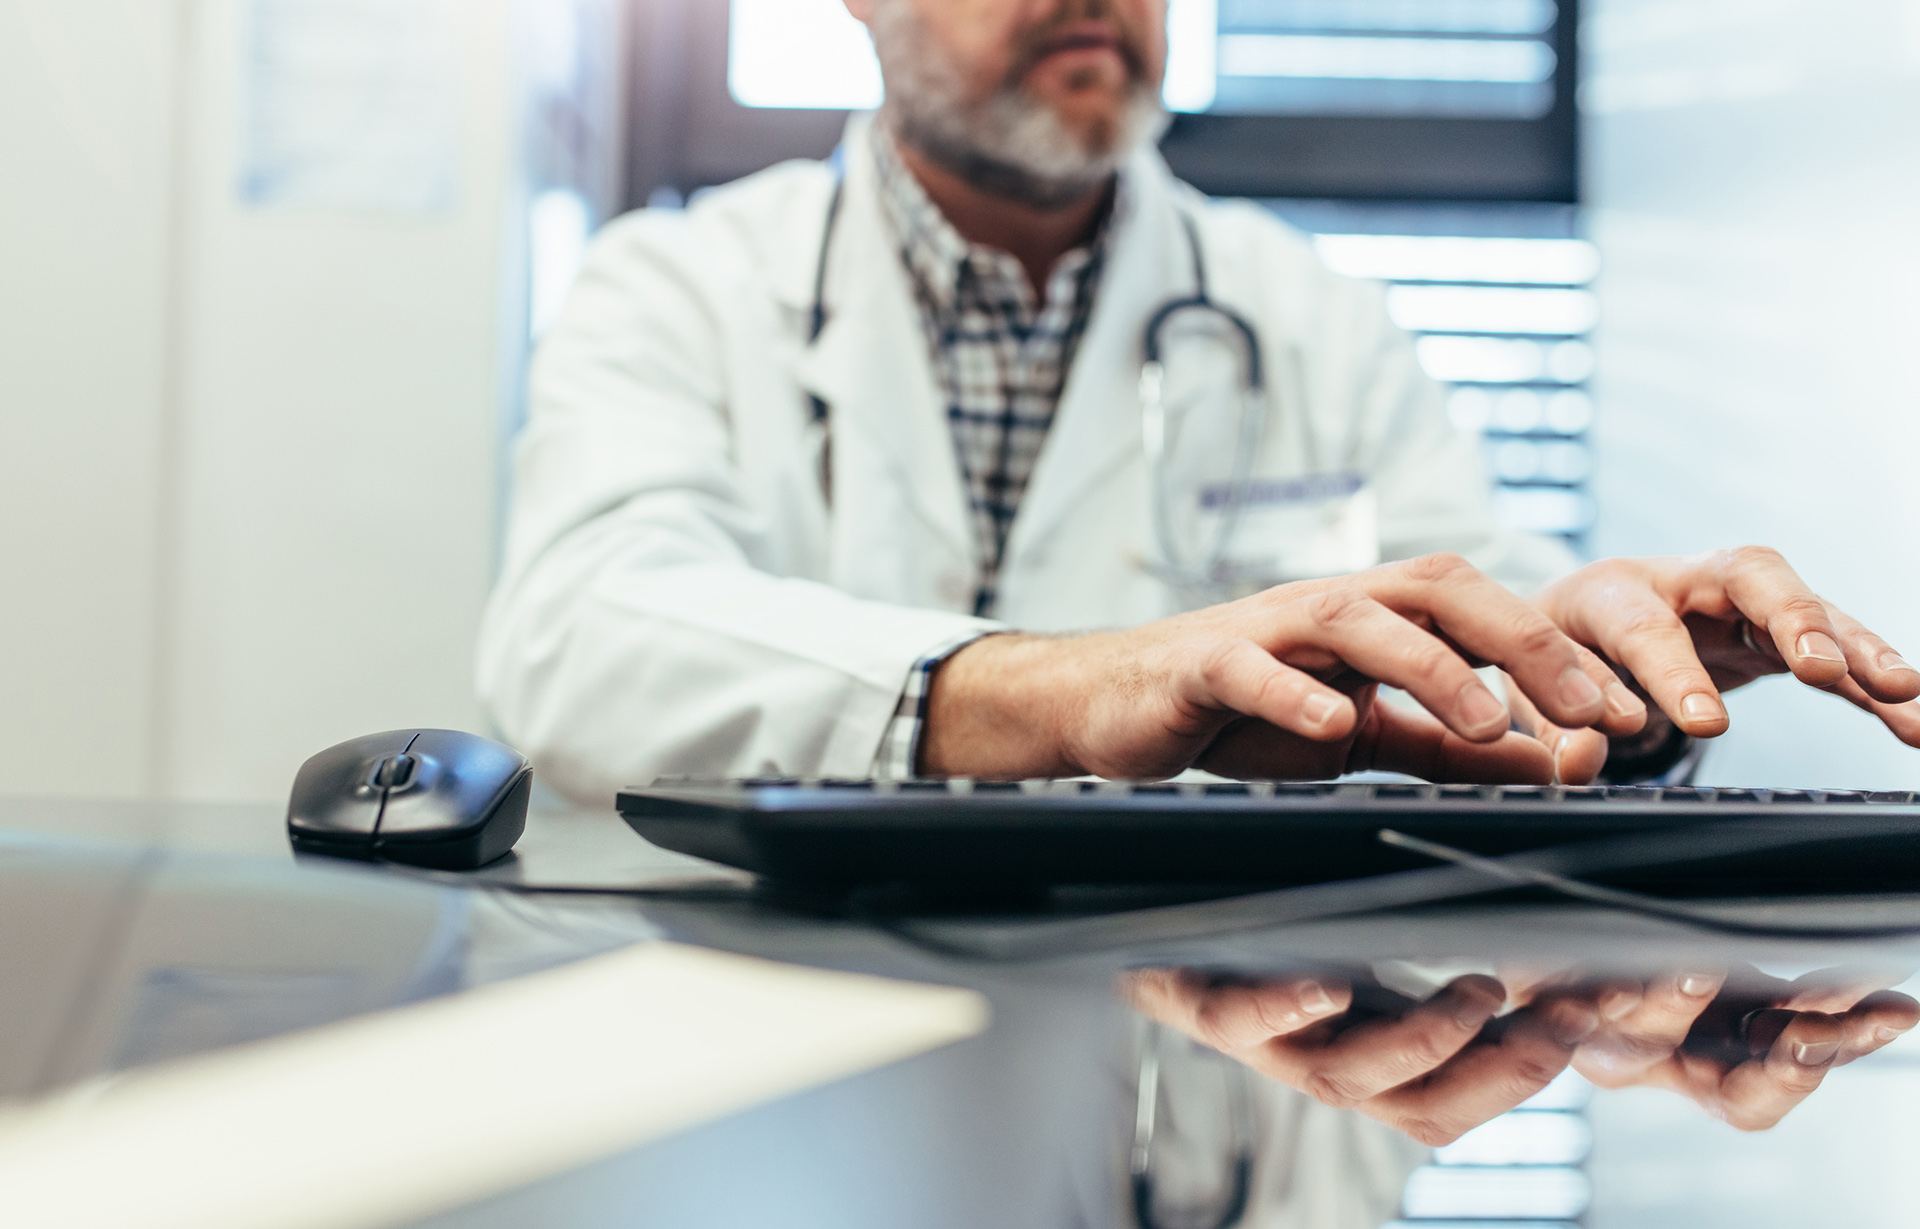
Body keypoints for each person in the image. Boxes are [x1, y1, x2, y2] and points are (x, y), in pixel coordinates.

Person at [476, 0, 1920, 1221]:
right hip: (781, 1074)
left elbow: (1484, 626)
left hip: (1252, 1089)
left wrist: (1608, 675)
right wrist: (1050, 689)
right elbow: (581, 624)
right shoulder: (678, 288)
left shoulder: (1309, 318)